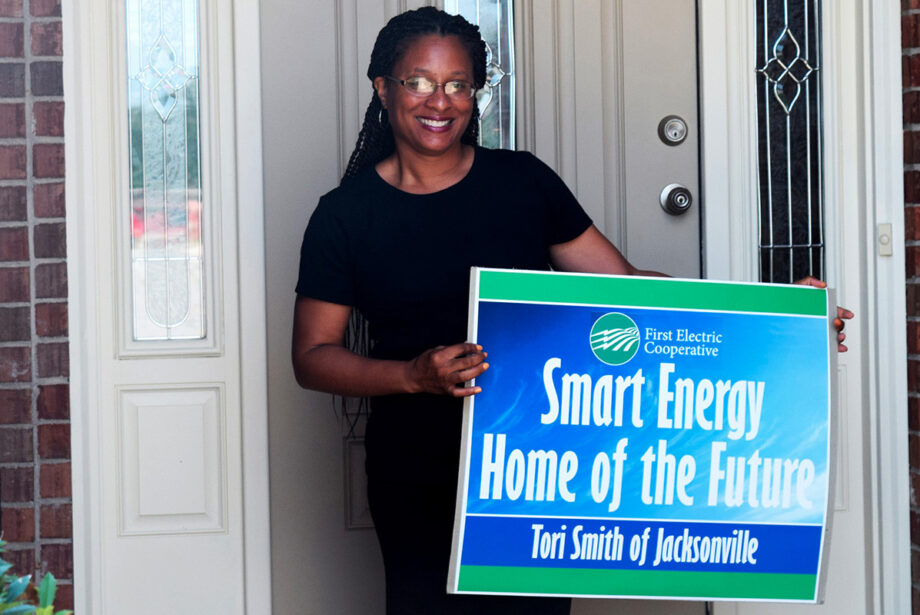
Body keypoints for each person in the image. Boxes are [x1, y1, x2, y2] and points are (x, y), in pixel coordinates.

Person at [292, 7, 852, 614]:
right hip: (416, 464)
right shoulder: (344, 214)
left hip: (534, 467)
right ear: (383, 87)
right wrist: (412, 375)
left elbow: (631, 289)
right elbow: (312, 357)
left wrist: (777, 316)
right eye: (419, 82)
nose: (441, 100)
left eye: (458, 83)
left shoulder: (523, 184)